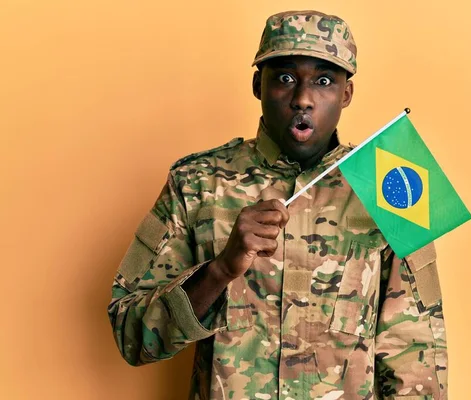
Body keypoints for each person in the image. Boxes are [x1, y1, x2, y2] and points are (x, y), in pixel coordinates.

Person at [108, 9, 448, 400]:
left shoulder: (392, 186)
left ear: (346, 94)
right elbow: (131, 336)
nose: (302, 98)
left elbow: (417, 355)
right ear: (258, 84)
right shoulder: (197, 182)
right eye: (285, 78)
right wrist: (219, 270)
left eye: (324, 81)